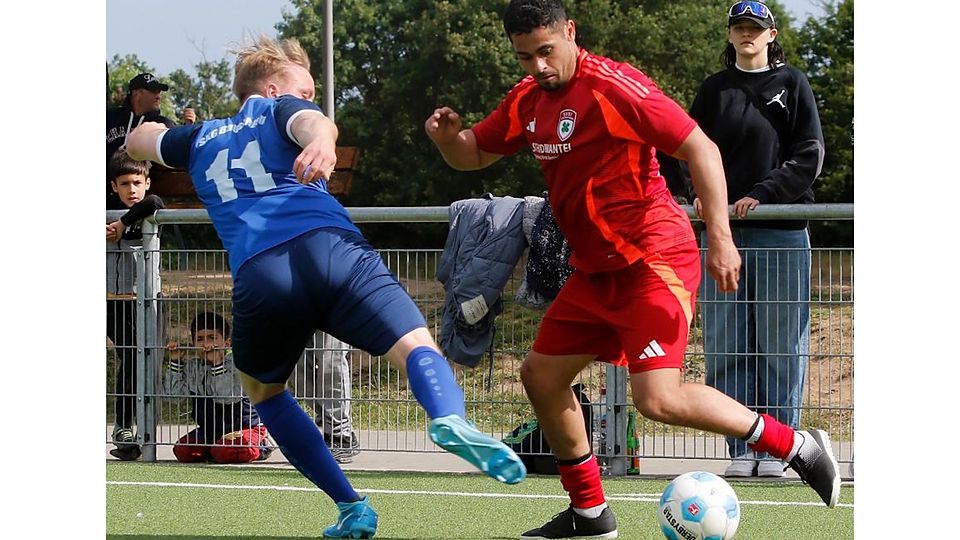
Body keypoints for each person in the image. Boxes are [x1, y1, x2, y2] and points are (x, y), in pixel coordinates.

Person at [424, 1, 839, 537]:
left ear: (570, 33)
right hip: (596, 272)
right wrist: (446, 140)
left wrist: (720, 238)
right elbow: (474, 154)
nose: (539, 67)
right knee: (541, 378)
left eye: (547, 51)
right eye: (526, 56)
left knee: (658, 398)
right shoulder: (527, 99)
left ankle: (797, 446)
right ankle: (590, 514)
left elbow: (702, 149)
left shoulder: (616, 87)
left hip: (654, 259)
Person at [126, 35, 526, 539]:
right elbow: (311, 122)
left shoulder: (201, 137)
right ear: (272, 90)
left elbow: (142, 143)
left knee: (264, 392)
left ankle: (351, 505)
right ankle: (448, 416)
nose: (311, 99)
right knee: (415, 345)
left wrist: (150, 131)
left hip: (261, 274)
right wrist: (323, 139)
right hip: (331, 250)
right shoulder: (281, 111)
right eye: (305, 90)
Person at [689, 1, 824, 479]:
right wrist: (700, 197)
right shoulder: (713, 90)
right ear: (729, 36)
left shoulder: (793, 84)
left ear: (771, 35)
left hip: (779, 233)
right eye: (739, 27)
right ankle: (742, 446)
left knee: (779, 343)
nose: (747, 34)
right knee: (726, 345)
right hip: (721, 236)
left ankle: (781, 447)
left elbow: (809, 154)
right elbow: (689, 149)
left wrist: (762, 195)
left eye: (755, 28)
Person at [106, 149, 165, 461]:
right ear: (114, 186)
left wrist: (124, 223)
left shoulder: (148, 210)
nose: (132, 190)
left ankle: (144, 429)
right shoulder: (103, 213)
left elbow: (154, 202)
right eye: (125, 184)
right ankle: (124, 427)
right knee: (129, 357)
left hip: (147, 300)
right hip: (113, 301)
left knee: (147, 361)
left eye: (137, 182)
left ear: (146, 182)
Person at [165, 312, 272, 463]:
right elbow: (174, 398)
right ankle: (216, 448)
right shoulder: (193, 367)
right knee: (183, 450)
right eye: (200, 339)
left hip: (244, 427)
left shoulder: (237, 364)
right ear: (193, 343)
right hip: (210, 431)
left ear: (227, 343)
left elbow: (226, 397)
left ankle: (261, 445)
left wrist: (217, 364)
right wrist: (175, 362)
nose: (206, 345)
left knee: (228, 450)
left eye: (212, 338)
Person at [106, 73, 177, 210]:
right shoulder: (109, 118)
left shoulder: (162, 124)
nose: (158, 95)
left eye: (159, 91)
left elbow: (180, 146)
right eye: (153, 91)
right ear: (137, 94)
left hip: (142, 199)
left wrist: (188, 125)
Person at [289, 331, 361, 464]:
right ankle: (328, 420)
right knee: (298, 369)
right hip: (294, 312)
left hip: (332, 312)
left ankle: (340, 436)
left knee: (332, 363)